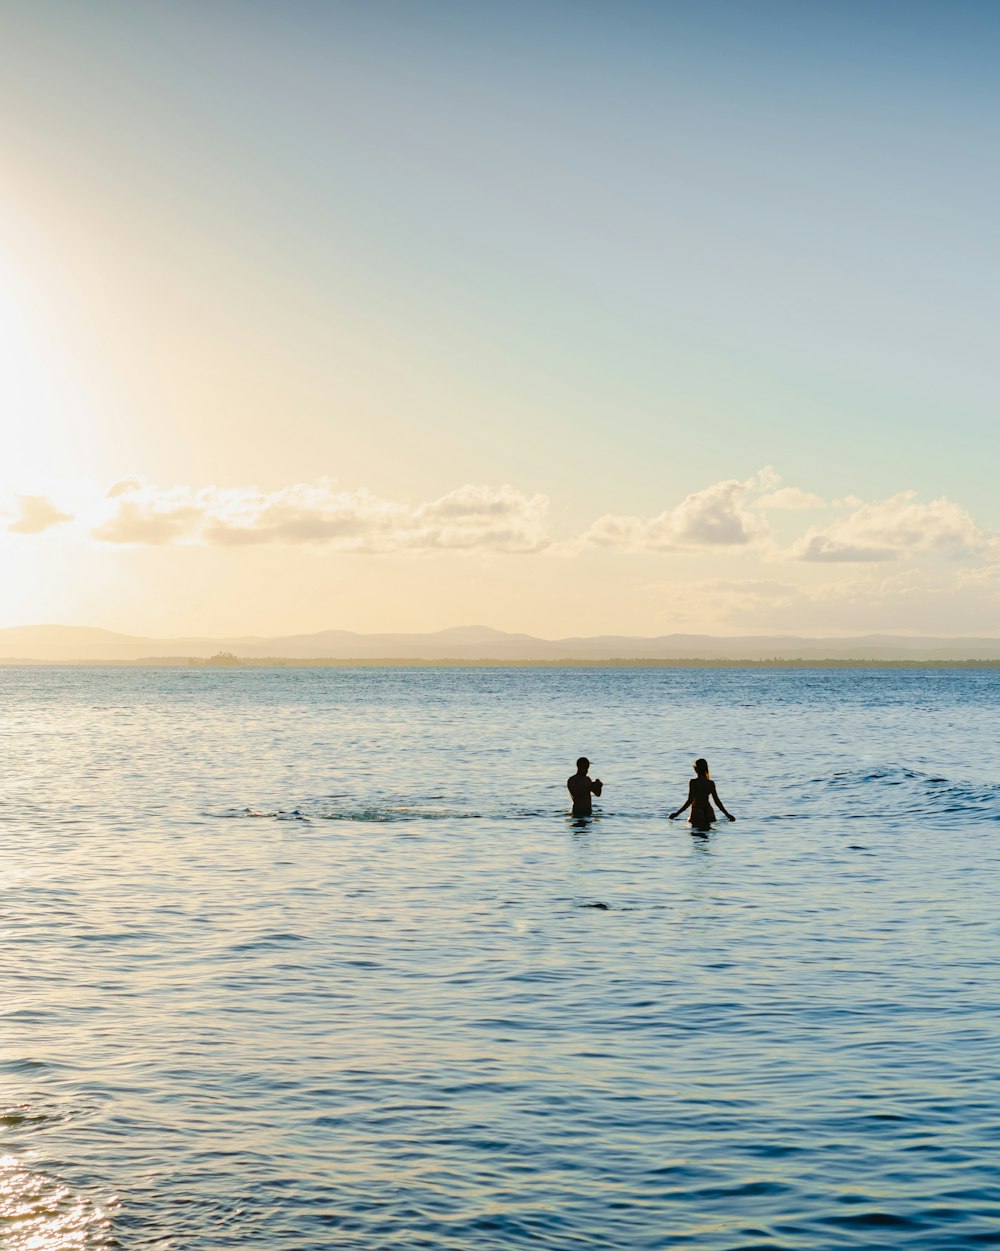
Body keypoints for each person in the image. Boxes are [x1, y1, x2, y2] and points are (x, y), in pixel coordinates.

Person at [669, 758, 735, 826]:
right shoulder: (710, 783)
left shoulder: (693, 782)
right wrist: (727, 815)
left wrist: (676, 814)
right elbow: (717, 801)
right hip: (709, 811)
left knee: (696, 834)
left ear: (696, 769)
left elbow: (689, 801)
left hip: (697, 811)